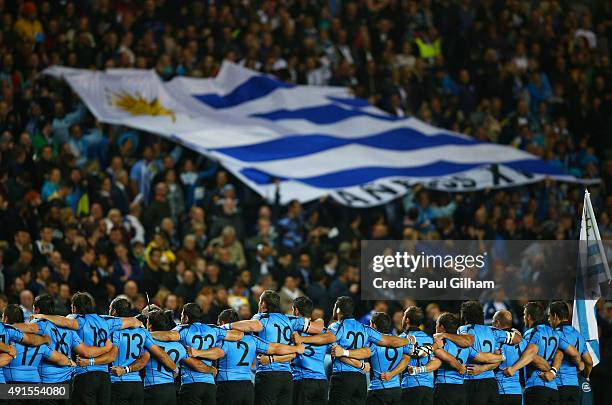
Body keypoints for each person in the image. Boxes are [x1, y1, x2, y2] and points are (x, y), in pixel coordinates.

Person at [31, 292, 143, 405]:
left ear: (74, 308)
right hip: (104, 378)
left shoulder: (78, 320)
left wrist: (43, 316)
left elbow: (65, 321)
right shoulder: (105, 321)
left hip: (85, 375)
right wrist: (139, 323)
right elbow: (132, 321)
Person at [225, 290, 324, 405]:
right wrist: (320, 320)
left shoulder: (261, 318)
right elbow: (318, 328)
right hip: (287, 376)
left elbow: (253, 325)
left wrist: (226, 326)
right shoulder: (290, 320)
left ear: (263, 304)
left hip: (268, 373)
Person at [15, 294, 113, 405]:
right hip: (67, 382)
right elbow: (86, 351)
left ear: (37, 310)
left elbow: (23, 330)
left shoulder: (39, 324)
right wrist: (106, 348)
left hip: (48, 383)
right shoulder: (69, 329)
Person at [324, 296, 414, 405]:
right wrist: (408, 340)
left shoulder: (335, 327)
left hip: (343, 377)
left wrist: (354, 360)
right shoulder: (365, 328)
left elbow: (337, 352)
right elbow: (387, 340)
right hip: (361, 381)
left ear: (338, 310)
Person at [148, 302, 244, 405]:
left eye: (182, 315)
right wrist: (227, 327)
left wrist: (145, 334)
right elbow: (239, 335)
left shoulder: (183, 330)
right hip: (210, 385)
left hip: (191, 384)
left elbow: (168, 336)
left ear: (186, 317)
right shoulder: (213, 329)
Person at [210, 308, 305, 405]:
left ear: (222, 323)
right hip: (248, 388)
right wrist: (297, 349)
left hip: (227, 386)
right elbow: (276, 347)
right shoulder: (253, 340)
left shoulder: (220, 340)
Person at [435, 301, 521, 405]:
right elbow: (517, 339)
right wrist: (514, 334)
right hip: (491, 383)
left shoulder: (464, 329)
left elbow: (467, 343)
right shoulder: (493, 331)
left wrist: (445, 335)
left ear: (464, 317)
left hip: (473, 381)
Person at [502, 302, 583, 405]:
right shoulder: (555, 333)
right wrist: (553, 371)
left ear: (529, 316)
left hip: (536, 386)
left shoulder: (531, 333)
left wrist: (513, 368)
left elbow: (531, 354)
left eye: (524, 315)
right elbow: (567, 353)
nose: (524, 318)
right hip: (553, 388)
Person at [142, 310, 215, 405]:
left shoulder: (146, 343)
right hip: (170, 390)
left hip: (151, 388)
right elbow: (197, 365)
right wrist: (211, 369)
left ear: (150, 326)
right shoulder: (179, 346)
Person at [2, 304, 74, 389]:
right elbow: (59, 358)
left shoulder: (5, 339)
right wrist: (70, 362)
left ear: (6, 319)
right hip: (34, 386)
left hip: (10, 384)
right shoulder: (39, 341)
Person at [290, 296, 333, 405]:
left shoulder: (292, 331)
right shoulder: (324, 332)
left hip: (302, 380)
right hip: (322, 382)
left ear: (296, 311)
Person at [548, 301, 593, 405]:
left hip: (558, 386)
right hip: (574, 387)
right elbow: (589, 362)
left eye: (549, 316)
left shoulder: (555, 335)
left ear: (555, 316)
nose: (549, 319)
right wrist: (586, 376)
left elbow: (573, 354)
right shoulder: (579, 336)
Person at [398, 306, 441, 405]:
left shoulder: (402, 339)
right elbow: (436, 361)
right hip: (428, 387)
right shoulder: (429, 339)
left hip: (410, 385)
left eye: (404, 315)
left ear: (407, 320)